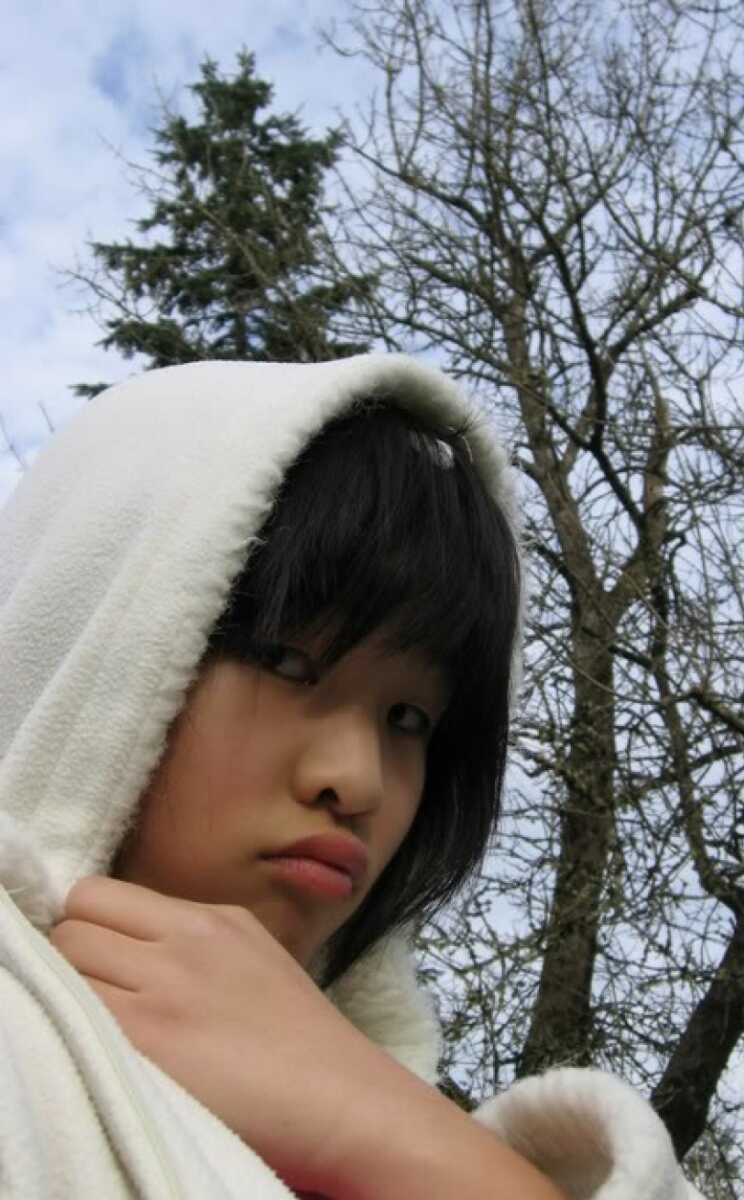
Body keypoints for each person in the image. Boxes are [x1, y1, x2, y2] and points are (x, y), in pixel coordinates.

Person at [0, 355, 701, 1199]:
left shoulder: (372, 1109)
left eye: (409, 719)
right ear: (106, 622)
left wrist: (375, 1122)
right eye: (287, 659)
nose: (359, 780)